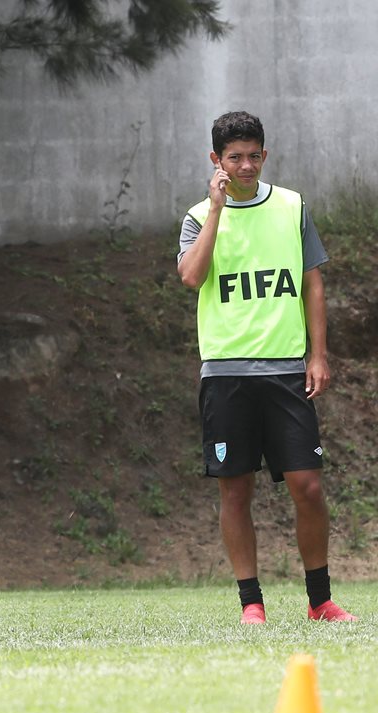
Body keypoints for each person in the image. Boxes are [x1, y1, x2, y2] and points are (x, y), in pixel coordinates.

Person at [177, 111, 355, 625]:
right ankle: (250, 603)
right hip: (226, 374)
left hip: (285, 372)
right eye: (235, 157)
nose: (246, 164)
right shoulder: (196, 216)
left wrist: (317, 355)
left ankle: (319, 600)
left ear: (265, 155)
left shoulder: (292, 207)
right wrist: (215, 210)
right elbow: (191, 277)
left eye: (254, 154)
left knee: (309, 486)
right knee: (235, 490)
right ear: (217, 161)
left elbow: (312, 283)